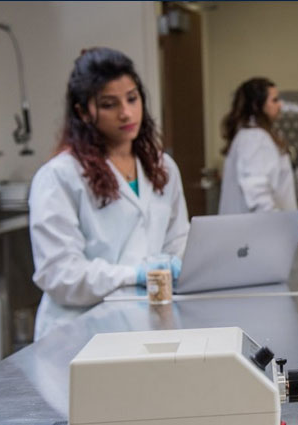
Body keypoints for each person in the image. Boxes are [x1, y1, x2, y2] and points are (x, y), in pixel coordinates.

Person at [29, 48, 189, 339]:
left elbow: (178, 241)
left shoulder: (163, 167)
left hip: (147, 324)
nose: (126, 113)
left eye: (132, 98)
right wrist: (136, 275)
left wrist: (180, 266)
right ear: (83, 112)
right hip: (78, 334)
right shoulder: (59, 177)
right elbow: (60, 274)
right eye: (109, 104)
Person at [218, 77, 298, 214]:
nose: (280, 105)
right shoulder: (254, 138)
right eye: (274, 100)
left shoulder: (255, 135)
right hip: (261, 230)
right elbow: (257, 191)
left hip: (261, 228)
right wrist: (277, 223)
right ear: (257, 105)